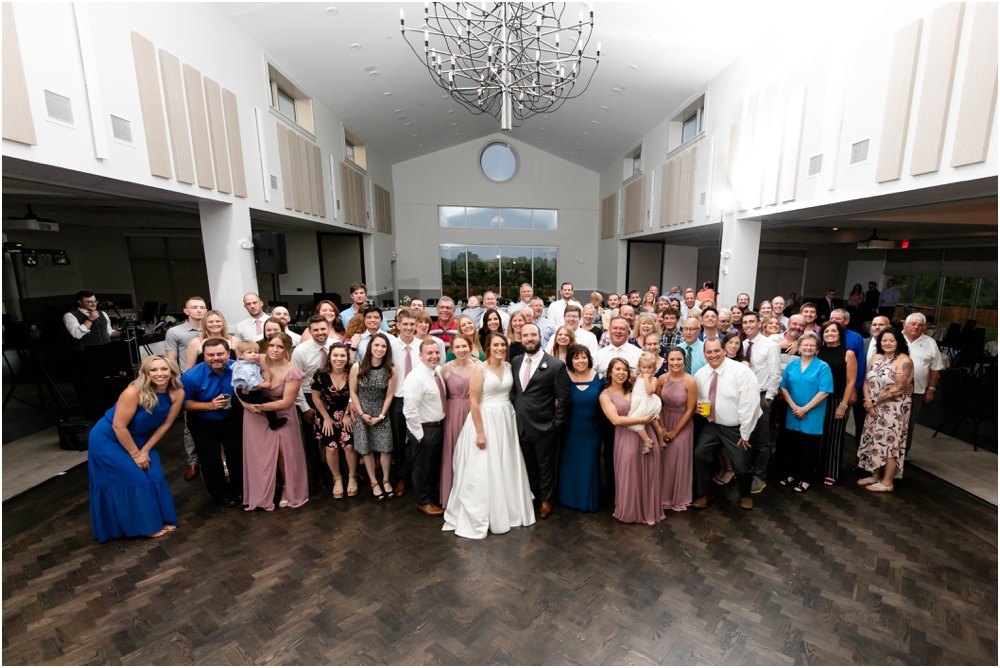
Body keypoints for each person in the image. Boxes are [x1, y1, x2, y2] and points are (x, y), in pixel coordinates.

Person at [443, 333, 536, 539]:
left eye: (503, 345)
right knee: (486, 465)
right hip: (486, 419)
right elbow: (473, 402)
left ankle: (510, 509)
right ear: (488, 347)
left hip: (505, 419)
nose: (500, 348)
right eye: (496, 345)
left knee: (506, 462)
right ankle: (486, 512)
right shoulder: (480, 369)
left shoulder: (509, 367)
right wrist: (480, 432)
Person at [88, 356, 185, 542]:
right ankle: (146, 526)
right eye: (154, 370)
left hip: (141, 438)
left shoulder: (177, 393)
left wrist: (146, 450)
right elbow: (119, 427)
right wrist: (135, 455)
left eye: (164, 369)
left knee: (154, 474)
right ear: (146, 373)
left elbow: (165, 425)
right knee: (136, 477)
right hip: (109, 438)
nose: (160, 374)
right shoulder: (133, 392)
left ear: (172, 371)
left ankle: (161, 519)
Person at [691, 338, 762, 511]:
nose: (713, 355)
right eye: (709, 352)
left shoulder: (741, 372)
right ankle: (705, 493)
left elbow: (750, 404)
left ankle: (745, 494)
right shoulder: (701, 374)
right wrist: (699, 406)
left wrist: (745, 433)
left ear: (724, 351)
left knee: (742, 466)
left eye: (716, 351)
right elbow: (699, 398)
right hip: (713, 424)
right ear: (704, 354)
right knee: (700, 455)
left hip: (737, 427)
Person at [240, 333, 309, 510]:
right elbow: (238, 383)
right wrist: (246, 405)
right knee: (260, 455)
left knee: (283, 452)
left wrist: (260, 406)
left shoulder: (292, 371)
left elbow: (286, 402)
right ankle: (262, 494)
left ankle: (287, 488)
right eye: (272, 346)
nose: (274, 350)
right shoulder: (257, 359)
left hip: (282, 414)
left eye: (280, 347)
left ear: (287, 350)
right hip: (255, 416)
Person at [511, 323, 570, 519]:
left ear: (540, 337)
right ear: (521, 338)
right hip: (520, 426)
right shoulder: (516, 361)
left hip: (545, 427)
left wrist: (556, 424)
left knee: (545, 466)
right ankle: (531, 496)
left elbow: (563, 398)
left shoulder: (554, 365)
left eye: (533, 335)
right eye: (525, 335)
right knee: (527, 464)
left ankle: (546, 499)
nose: (529, 338)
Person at [599, 358, 663, 525]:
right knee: (629, 474)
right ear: (610, 372)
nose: (621, 373)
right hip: (626, 438)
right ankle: (630, 511)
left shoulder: (634, 388)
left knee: (648, 472)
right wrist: (643, 420)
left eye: (625, 370)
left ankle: (648, 509)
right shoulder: (605, 396)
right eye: (618, 369)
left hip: (647, 433)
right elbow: (616, 421)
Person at [181, 339, 244, 507]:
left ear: (228, 353)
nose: (216, 358)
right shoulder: (190, 377)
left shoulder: (239, 368)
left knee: (237, 454)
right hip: (203, 421)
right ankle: (220, 494)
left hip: (232, 418)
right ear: (204, 355)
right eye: (210, 355)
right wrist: (209, 405)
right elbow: (183, 403)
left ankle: (240, 489)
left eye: (220, 354)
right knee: (210, 458)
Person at [858, 329, 913, 492]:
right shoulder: (876, 357)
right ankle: (875, 474)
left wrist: (874, 400)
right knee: (875, 439)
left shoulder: (904, 361)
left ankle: (887, 481)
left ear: (898, 342)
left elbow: (899, 388)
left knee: (890, 442)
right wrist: (867, 401)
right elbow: (867, 381)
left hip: (893, 408)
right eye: (884, 340)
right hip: (873, 407)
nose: (887, 343)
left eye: (891, 340)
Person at [777, 333, 833, 493]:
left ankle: (806, 478)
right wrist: (794, 407)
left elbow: (824, 392)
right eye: (805, 345)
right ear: (799, 347)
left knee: (809, 447)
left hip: (812, 414)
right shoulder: (792, 365)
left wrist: (804, 409)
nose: (808, 348)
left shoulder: (823, 367)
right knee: (793, 445)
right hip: (793, 411)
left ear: (817, 349)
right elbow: (784, 387)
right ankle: (792, 474)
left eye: (812, 345)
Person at [349, 332, 397, 502]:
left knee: (385, 448)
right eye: (376, 345)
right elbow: (353, 392)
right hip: (363, 412)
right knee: (367, 449)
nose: (379, 349)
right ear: (370, 347)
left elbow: (390, 395)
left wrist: (382, 415)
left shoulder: (390, 369)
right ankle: (374, 482)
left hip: (381, 413)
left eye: (383, 346)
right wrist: (362, 413)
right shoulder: (358, 367)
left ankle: (385, 479)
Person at [164, 296, 207, 482]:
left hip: (212, 382)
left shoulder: (212, 329)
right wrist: (175, 386)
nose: (199, 310)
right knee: (190, 424)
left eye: (202, 307)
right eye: (194, 307)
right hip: (188, 383)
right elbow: (171, 361)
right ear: (186, 311)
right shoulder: (176, 332)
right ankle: (193, 460)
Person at [403, 339, 448, 516]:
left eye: (437, 352)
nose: (434, 356)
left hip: (437, 427)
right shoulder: (416, 377)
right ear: (420, 356)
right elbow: (410, 410)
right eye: (429, 353)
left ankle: (431, 493)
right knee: (422, 468)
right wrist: (419, 435)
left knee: (432, 466)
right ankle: (422, 501)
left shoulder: (437, 371)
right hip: (424, 429)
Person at [311, 342, 358, 499]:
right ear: (329, 357)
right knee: (331, 448)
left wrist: (345, 415)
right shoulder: (320, 374)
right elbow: (316, 398)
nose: (339, 359)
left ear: (347, 357)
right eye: (335, 355)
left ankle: (352, 477)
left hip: (347, 413)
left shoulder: (352, 372)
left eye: (342, 355)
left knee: (349, 446)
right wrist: (326, 418)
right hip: (327, 415)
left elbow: (355, 394)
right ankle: (337, 479)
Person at [559, 345, 603, 512]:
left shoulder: (600, 378)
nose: (581, 361)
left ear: (589, 359)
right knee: (570, 463)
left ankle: (588, 500)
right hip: (570, 429)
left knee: (589, 464)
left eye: (584, 357)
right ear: (570, 360)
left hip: (592, 430)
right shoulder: (564, 377)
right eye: (576, 358)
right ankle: (568, 498)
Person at [64, 290, 121, 420]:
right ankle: (94, 416)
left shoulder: (103, 314)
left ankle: (111, 413)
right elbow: (77, 334)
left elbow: (108, 332)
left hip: (105, 353)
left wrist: (122, 333)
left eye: (94, 301)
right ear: (80, 302)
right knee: (92, 388)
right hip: (86, 355)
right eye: (88, 302)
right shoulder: (70, 315)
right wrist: (90, 319)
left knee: (108, 385)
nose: (93, 304)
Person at [741, 311, 781, 495]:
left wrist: (769, 398)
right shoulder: (742, 345)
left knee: (762, 440)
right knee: (746, 436)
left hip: (761, 396)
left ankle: (759, 476)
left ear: (759, 324)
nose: (748, 325)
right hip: (744, 397)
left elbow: (775, 374)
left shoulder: (769, 346)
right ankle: (745, 471)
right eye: (745, 322)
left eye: (751, 321)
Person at [816, 321, 857, 486]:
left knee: (834, 437)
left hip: (836, 400)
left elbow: (850, 381)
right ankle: (817, 467)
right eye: (826, 331)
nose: (829, 334)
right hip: (818, 399)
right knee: (818, 435)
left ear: (840, 333)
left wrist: (843, 405)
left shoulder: (848, 354)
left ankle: (831, 471)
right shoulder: (818, 351)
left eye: (833, 331)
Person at [657, 348, 697, 511]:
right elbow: (657, 404)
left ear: (684, 360)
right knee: (664, 459)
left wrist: (674, 432)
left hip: (683, 423)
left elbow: (690, 410)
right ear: (667, 361)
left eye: (679, 359)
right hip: (664, 419)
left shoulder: (690, 381)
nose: (675, 363)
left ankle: (678, 496)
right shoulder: (661, 379)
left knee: (678, 456)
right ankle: (662, 495)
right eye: (672, 360)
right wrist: (663, 428)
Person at [439, 334, 477, 509]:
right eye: (458, 347)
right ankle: (452, 496)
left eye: (464, 346)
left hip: (474, 412)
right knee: (453, 452)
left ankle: (474, 496)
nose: (461, 350)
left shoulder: (479, 367)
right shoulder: (445, 369)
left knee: (474, 453)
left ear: (470, 347)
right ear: (452, 350)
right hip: (453, 413)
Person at [388, 309, 421, 497]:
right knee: (399, 440)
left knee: (418, 439)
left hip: (418, 399)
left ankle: (418, 478)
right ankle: (401, 477)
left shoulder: (422, 346)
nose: (409, 328)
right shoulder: (390, 347)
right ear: (398, 325)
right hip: (398, 399)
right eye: (405, 324)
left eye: (412, 324)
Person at [901, 313, 944, 452]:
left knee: (908, 425)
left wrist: (931, 389)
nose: (916, 327)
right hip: (891, 391)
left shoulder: (930, 343)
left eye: (920, 325)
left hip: (917, 392)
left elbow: (935, 368)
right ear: (904, 325)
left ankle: (902, 456)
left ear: (924, 327)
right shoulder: (894, 338)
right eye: (913, 324)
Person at [232, 340, 285, 430]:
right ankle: (273, 422)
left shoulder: (248, 364)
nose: (254, 354)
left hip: (247, 391)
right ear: (241, 354)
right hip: (248, 392)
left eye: (256, 352)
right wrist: (264, 385)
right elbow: (251, 382)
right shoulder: (246, 368)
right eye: (249, 352)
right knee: (267, 401)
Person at [629, 353, 667, 453]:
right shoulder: (638, 377)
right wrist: (633, 381)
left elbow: (650, 391)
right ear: (639, 368)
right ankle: (651, 441)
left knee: (653, 424)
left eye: (649, 367)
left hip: (647, 403)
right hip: (638, 402)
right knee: (651, 423)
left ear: (654, 368)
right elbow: (636, 389)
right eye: (644, 367)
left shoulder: (653, 379)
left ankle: (653, 441)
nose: (646, 370)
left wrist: (646, 379)